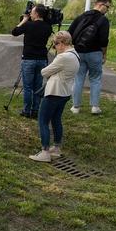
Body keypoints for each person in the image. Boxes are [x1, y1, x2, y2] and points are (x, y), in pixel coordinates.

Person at [29, 31, 80, 162]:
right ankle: (56, 148)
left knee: (43, 121)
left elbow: (44, 72)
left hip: (54, 92)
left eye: (55, 44)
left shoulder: (63, 57)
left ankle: (45, 152)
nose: (54, 47)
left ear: (62, 43)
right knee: (56, 120)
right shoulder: (75, 55)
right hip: (65, 92)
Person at [68, 0, 111, 115]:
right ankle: (95, 107)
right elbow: (104, 40)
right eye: (107, 7)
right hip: (95, 53)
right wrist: (104, 54)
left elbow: (69, 33)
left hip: (79, 52)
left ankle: (75, 107)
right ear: (101, 4)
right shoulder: (103, 20)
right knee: (95, 79)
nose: (107, 10)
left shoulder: (81, 17)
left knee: (78, 79)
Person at [11, 4, 53, 119]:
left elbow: (14, 32)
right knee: (37, 86)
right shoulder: (48, 27)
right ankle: (35, 111)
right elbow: (48, 22)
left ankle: (26, 110)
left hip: (28, 59)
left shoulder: (28, 25)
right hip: (42, 60)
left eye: (32, 12)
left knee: (28, 87)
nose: (30, 14)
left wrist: (24, 20)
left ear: (37, 14)